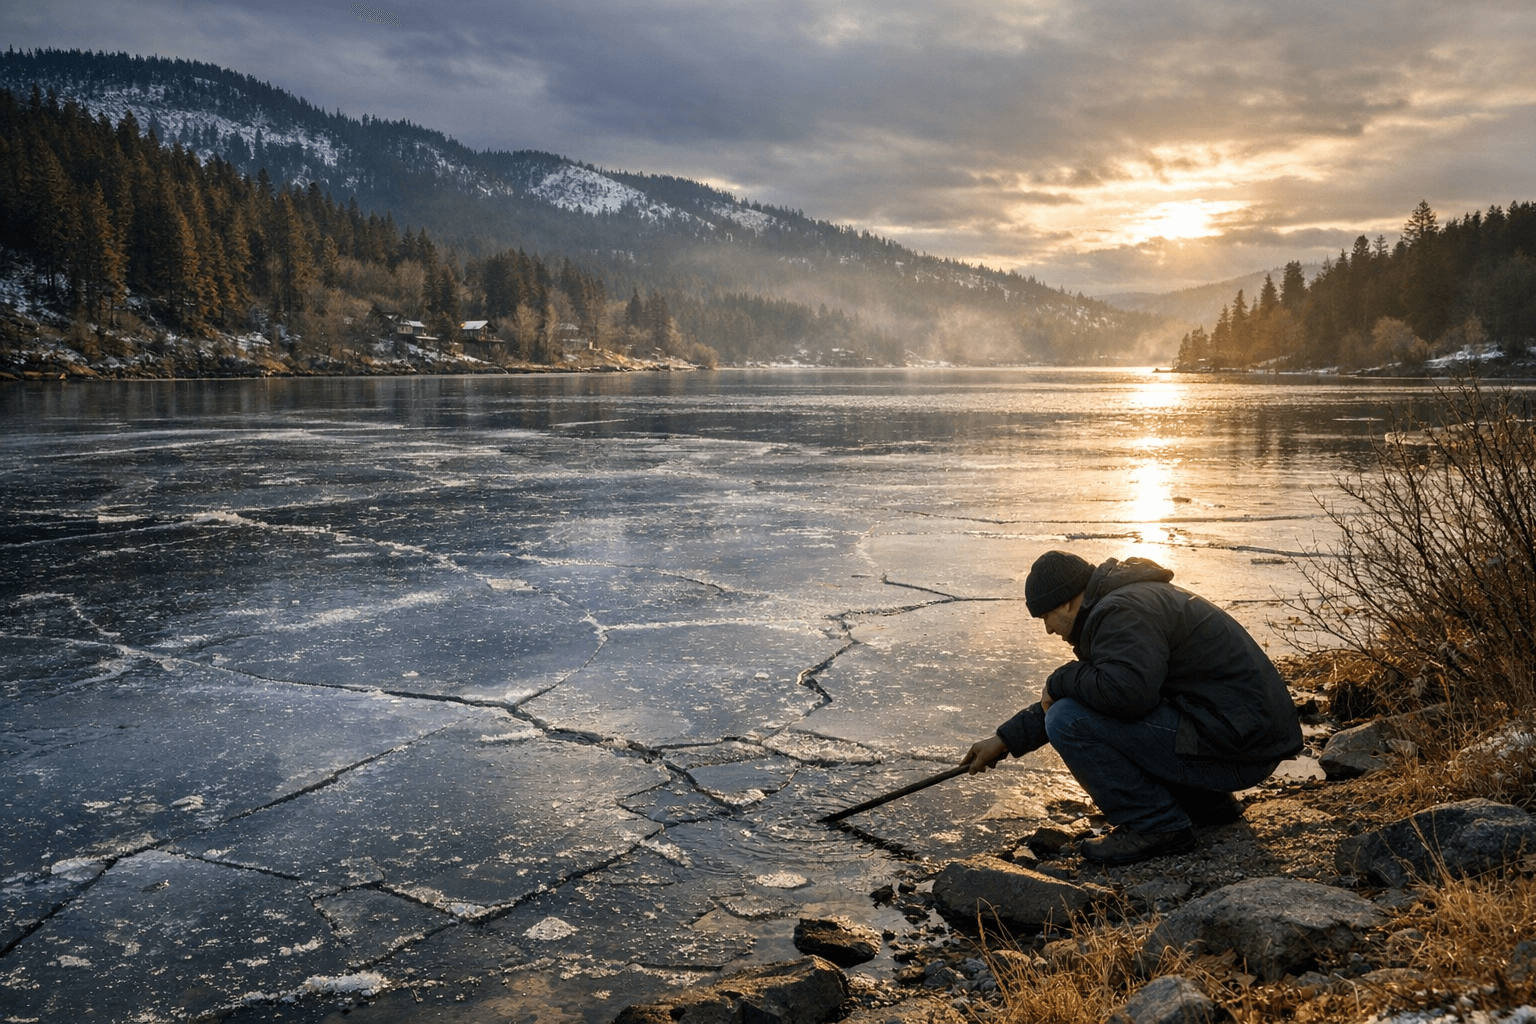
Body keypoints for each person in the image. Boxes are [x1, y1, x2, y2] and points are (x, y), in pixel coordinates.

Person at [961, 550, 1302, 865]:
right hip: (1243, 740)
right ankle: (1205, 802)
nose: (1049, 630)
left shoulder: (1121, 610)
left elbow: (1126, 696)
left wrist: (1059, 678)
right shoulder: (1122, 603)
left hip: (1239, 752)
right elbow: (1101, 692)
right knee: (1079, 706)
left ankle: (1156, 826)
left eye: (1046, 617)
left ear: (1065, 604)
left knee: (1067, 721)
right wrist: (1005, 740)